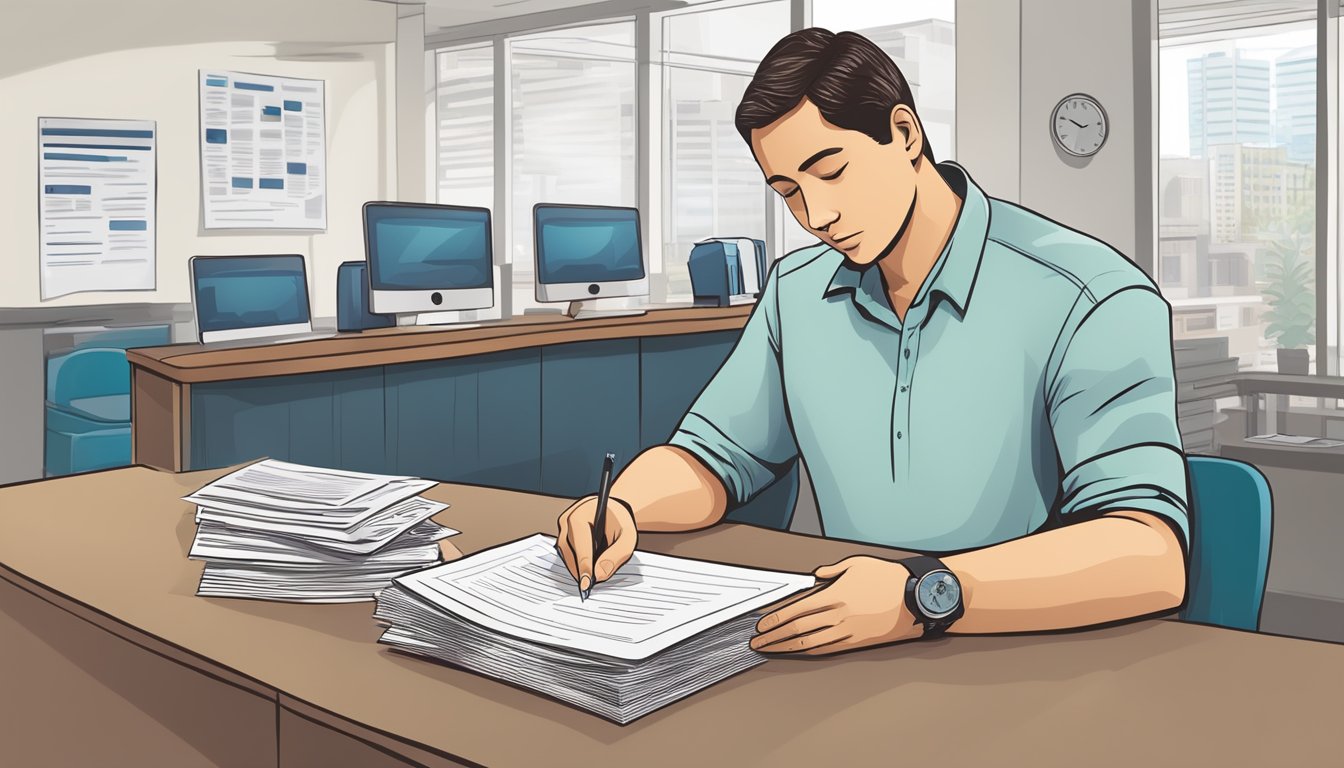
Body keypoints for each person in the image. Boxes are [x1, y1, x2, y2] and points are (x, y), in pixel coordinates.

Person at [555, 28, 1189, 655]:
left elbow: (1150, 554)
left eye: (831, 172)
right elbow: (712, 459)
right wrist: (624, 506)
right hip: (849, 647)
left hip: (1023, 656)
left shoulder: (1091, 295)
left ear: (905, 134)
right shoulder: (796, 292)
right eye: (789, 192)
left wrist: (920, 597)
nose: (817, 216)